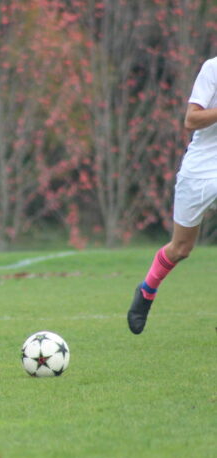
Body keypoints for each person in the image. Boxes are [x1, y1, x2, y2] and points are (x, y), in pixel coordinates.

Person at [127, 56, 217, 334]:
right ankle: (146, 291)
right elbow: (191, 119)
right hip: (200, 172)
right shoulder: (212, 68)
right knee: (180, 249)